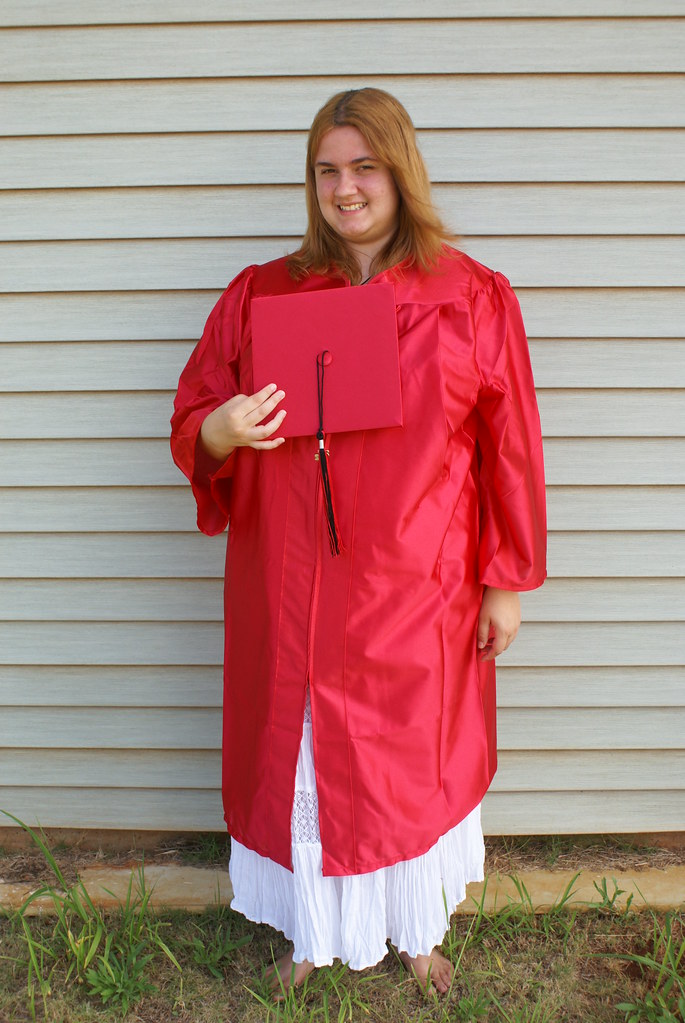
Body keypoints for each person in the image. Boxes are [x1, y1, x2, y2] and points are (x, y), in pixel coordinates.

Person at [170, 87, 546, 995]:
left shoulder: (469, 297)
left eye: (363, 167)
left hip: (417, 581)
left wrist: (507, 580)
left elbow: (510, 449)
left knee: (407, 758)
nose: (345, 189)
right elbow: (193, 416)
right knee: (302, 749)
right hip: (289, 582)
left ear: (398, 171)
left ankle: (414, 930)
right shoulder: (261, 295)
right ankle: (309, 931)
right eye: (327, 170)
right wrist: (222, 430)